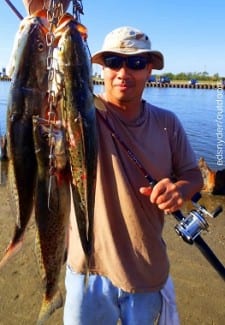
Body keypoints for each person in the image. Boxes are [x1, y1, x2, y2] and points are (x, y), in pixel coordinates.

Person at [64, 26, 203, 325]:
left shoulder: (168, 123)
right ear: (101, 68)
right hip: (87, 272)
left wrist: (180, 189)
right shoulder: (79, 112)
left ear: (149, 69)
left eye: (136, 63)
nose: (124, 71)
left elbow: (194, 175)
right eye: (114, 61)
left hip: (147, 272)